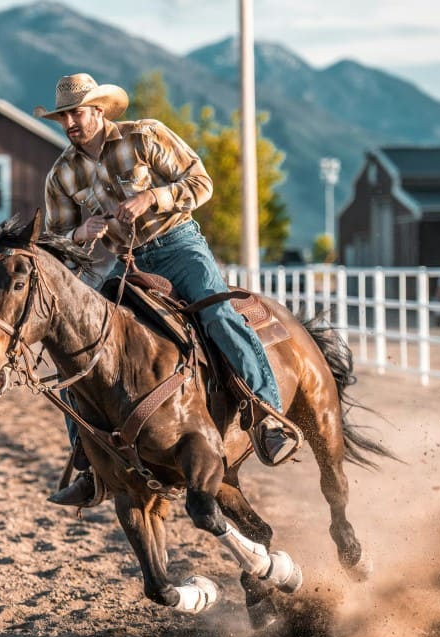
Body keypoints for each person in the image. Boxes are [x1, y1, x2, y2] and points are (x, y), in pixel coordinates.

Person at [34, 73, 297, 506]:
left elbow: (200, 183)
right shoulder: (62, 172)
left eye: (76, 114)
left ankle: (266, 417)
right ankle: (89, 460)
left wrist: (152, 198)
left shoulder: (145, 137)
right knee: (80, 344)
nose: (69, 124)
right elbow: (55, 239)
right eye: (64, 117)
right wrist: (81, 233)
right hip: (126, 261)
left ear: (98, 110)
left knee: (217, 315)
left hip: (179, 245)